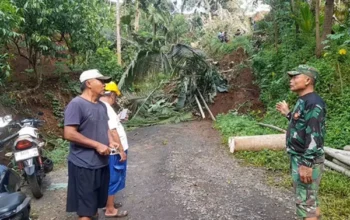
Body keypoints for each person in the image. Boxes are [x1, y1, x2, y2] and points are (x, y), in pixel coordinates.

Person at [64, 69, 119, 220]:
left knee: (94, 205)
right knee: (86, 211)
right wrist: (96, 145)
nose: (104, 85)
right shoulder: (76, 104)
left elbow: (105, 127)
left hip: (101, 163)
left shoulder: (101, 106)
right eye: (101, 81)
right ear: (89, 83)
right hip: (84, 165)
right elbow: (69, 133)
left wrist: (110, 141)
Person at [276, 65, 326, 220]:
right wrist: (288, 114)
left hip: (306, 159)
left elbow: (314, 135)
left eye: (295, 77)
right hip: (299, 157)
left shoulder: (313, 102)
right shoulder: (304, 100)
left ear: (307, 80)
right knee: (309, 201)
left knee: (305, 205)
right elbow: (301, 125)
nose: (291, 81)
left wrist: (306, 163)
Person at [100, 81, 129, 218]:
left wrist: (118, 119)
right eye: (115, 96)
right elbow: (112, 131)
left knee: (111, 177)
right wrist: (121, 151)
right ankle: (110, 209)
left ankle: (108, 203)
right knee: (113, 177)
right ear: (111, 95)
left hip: (110, 149)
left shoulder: (101, 106)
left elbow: (110, 125)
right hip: (114, 151)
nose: (115, 99)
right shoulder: (106, 107)